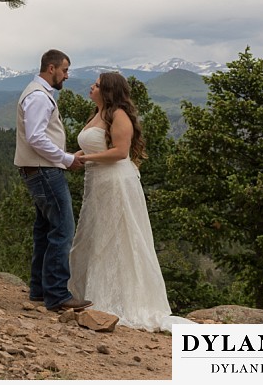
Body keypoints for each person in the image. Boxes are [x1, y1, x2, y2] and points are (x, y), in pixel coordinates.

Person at [68, 72, 193, 331]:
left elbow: (120, 152)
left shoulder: (118, 115)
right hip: (98, 183)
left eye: (97, 85)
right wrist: (78, 155)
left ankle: (121, 300)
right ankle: (90, 293)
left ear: (109, 91)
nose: (92, 87)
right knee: (96, 235)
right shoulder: (97, 114)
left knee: (117, 237)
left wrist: (85, 160)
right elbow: (98, 145)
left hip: (115, 183)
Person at [13, 49, 92, 312]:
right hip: (45, 171)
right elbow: (36, 137)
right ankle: (57, 294)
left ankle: (39, 289)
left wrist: (64, 157)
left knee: (45, 230)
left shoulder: (36, 93)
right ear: (51, 68)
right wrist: (66, 159)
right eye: (65, 70)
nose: (66, 76)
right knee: (62, 230)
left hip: (37, 170)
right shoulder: (39, 97)